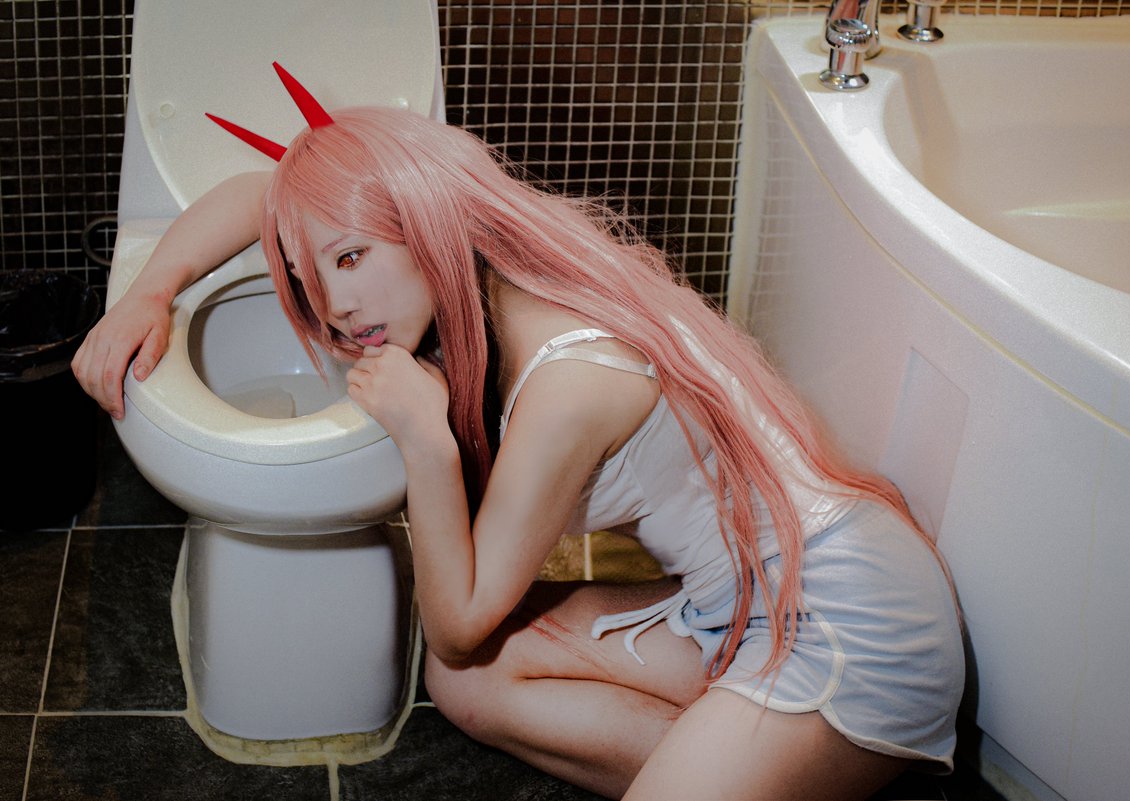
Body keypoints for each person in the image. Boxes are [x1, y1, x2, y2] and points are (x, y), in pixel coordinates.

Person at [73, 72, 964, 800]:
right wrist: (150, 292)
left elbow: (459, 623)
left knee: (461, 651)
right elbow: (260, 197)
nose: (334, 305)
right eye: (312, 278)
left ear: (423, 221)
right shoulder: (495, 240)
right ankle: (763, 766)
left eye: (352, 259)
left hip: (846, 627)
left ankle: (780, 761)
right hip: (732, 607)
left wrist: (426, 439)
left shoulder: (568, 382)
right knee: (469, 684)